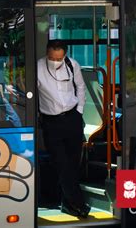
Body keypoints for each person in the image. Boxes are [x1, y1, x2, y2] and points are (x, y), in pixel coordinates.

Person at [37, 40, 90, 218]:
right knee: (62, 163)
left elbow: (81, 87)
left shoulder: (72, 64)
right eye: (52, 58)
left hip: (72, 118)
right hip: (51, 122)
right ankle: (78, 203)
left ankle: (67, 203)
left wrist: (79, 111)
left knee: (73, 163)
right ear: (47, 54)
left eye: (59, 58)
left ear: (64, 55)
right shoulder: (37, 67)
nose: (56, 61)